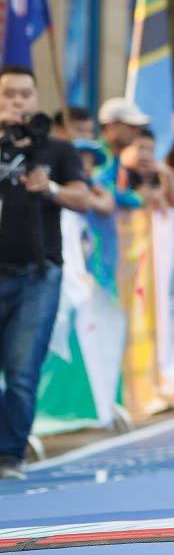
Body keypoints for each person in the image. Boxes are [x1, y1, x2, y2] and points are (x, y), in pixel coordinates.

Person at [0, 68, 115, 480]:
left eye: (25, 94)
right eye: (9, 94)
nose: (18, 102)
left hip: (38, 275)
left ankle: (9, 456)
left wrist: (48, 189)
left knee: (21, 368)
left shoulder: (57, 148)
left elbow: (84, 198)